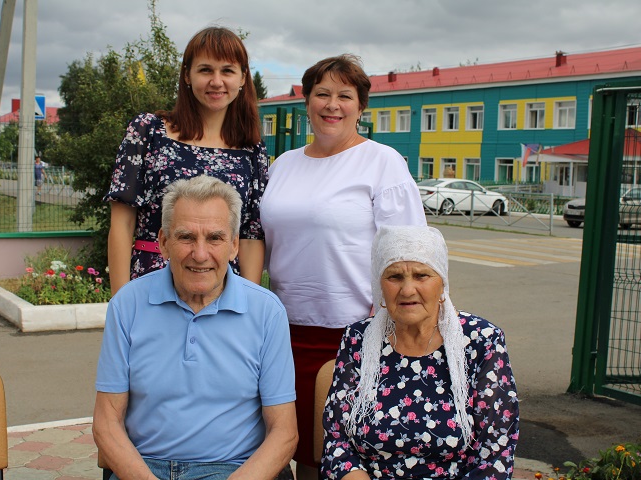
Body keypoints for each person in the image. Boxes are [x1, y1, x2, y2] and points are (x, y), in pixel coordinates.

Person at [259, 54, 427, 479]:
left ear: (360, 106)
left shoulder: (382, 162)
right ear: (307, 101)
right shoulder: (284, 165)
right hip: (282, 334)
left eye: (344, 96)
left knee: (334, 458)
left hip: (353, 335)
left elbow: (408, 252)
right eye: (322, 94)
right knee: (285, 448)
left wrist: (399, 329)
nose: (332, 105)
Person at [93, 175, 297, 480]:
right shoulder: (127, 306)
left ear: (233, 245)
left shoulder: (267, 312)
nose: (200, 254)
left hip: (235, 469)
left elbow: (284, 433)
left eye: (214, 238)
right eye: (186, 237)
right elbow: (106, 423)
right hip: (145, 468)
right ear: (163, 243)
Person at [320, 225, 519, 479]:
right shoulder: (358, 339)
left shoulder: (482, 341)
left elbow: (495, 454)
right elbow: (337, 443)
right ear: (380, 285)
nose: (407, 290)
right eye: (394, 277)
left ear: (442, 284)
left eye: (421, 275)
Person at [105, 26, 267, 296]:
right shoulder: (148, 131)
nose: (217, 81)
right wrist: (120, 303)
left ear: (242, 78)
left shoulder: (251, 150)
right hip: (152, 287)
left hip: (222, 291)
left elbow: (250, 235)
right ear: (187, 76)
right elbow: (122, 224)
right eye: (206, 70)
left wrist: (248, 307)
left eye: (227, 71)